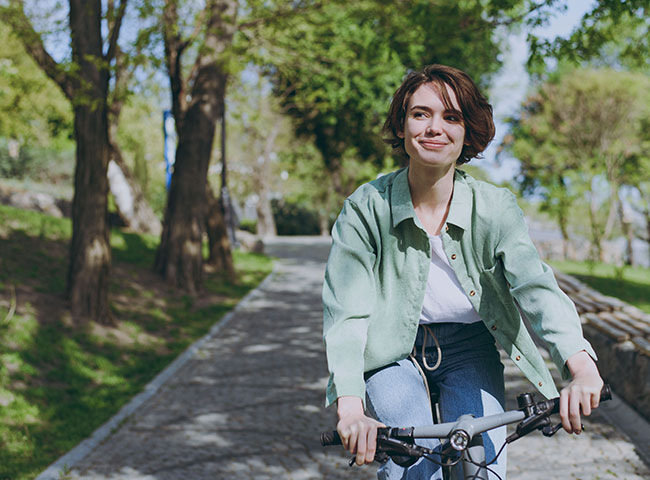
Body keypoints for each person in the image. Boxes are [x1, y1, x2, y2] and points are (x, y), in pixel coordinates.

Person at [322, 64, 604, 480]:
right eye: (421, 114)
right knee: (416, 466)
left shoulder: (496, 208)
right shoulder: (366, 209)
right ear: (402, 126)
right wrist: (350, 408)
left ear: (466, 132)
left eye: (451, 117)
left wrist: (581, 368)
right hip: (389, 353)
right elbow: (346, 314)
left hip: (470, 347)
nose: (435, 127)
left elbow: (536, 287)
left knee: (482, 470)